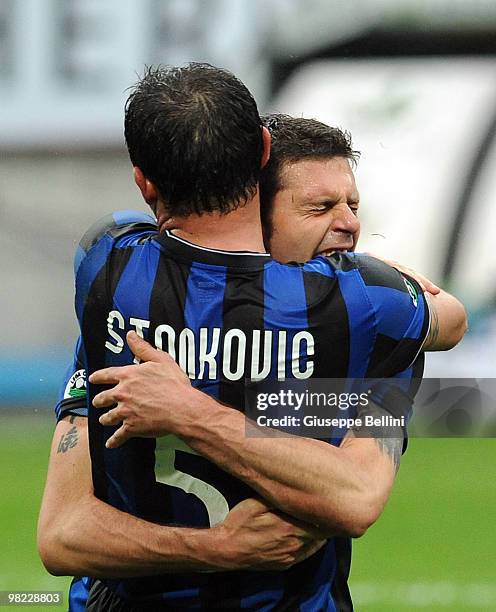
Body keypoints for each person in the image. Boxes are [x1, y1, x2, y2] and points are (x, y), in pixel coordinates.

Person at [38, 76, 466, 610]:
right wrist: (382, 274)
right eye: (320, 207)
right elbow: (449, 320)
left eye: (350, 204)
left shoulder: (108, 275)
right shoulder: (366, 310)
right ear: (261, 154)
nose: (349, 224)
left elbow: (60, 536)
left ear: (144, 183)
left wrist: (189, 413)